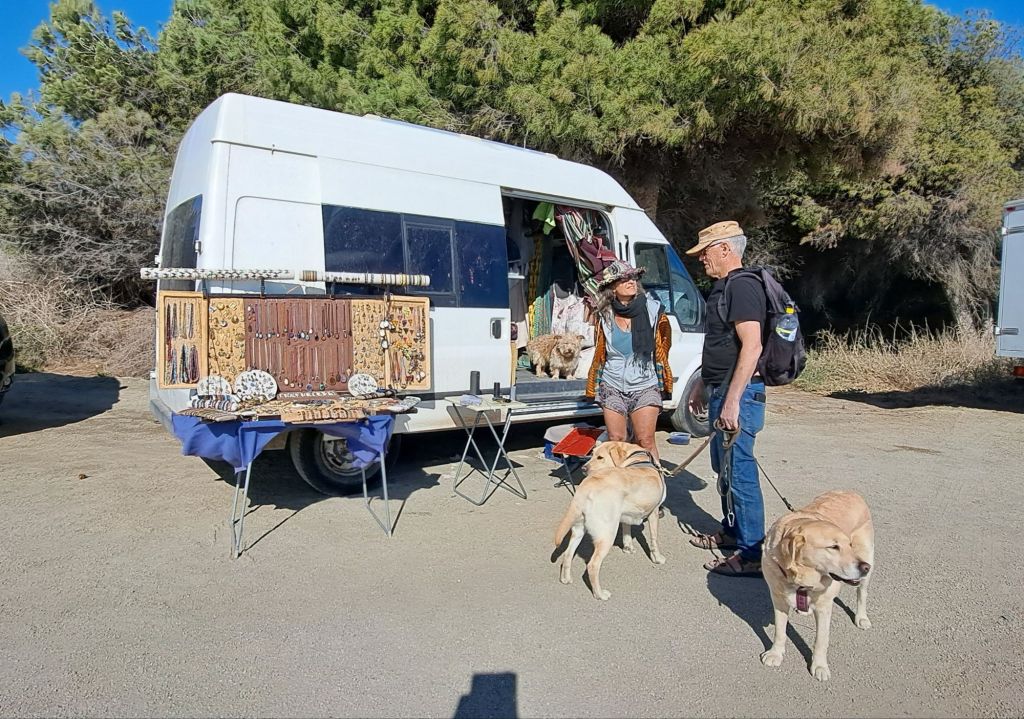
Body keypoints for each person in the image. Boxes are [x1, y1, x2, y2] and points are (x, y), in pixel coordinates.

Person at [686, 220, 767, 577]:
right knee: (725, 469)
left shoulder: (743, 286)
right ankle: (733, 533)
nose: (701, 259)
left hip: (740, 395)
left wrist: (733, 400)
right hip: (721, 389)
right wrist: (704, 384)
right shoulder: (724, 287)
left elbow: (752, 346)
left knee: (741, 473)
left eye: (705, 252)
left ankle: (752, 555)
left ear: (725, 249)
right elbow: (722, 345)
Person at [585, 260, 673, 468]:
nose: (631, 282)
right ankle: (619, 484)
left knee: (645, 441)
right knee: (616, 440)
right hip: (612, 383)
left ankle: (653, 481)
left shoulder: (654, 311)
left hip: (645, 383)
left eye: (633, 278)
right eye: (624, 279)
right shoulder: (604, 315)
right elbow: (600, 351)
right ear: (612, 288)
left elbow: (664, 344)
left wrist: (661, 373)